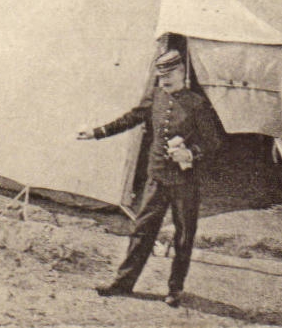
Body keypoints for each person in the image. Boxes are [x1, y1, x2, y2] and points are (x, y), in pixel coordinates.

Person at [76, 48, 224, 308]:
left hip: (184, 182)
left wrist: (191, 153)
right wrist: (97, 132)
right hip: (156, 177)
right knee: (142, 230)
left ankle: (175, 289)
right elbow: (132, 118)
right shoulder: (156, 96)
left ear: (181, 72)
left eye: (170, 75)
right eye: (161, 76)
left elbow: (212, 142)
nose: (165, 81)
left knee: (183, 235)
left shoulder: (196, 104)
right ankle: (123, 283)